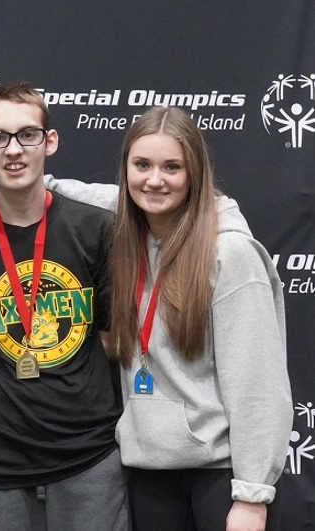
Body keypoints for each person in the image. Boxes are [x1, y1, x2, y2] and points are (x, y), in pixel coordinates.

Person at [103, 106, 292, 531]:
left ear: (195, 174)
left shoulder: (230, 254)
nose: (154, 179)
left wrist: (251, 494)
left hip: (220, 480)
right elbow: (67, 193)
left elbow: (257, 385)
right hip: (149, 475)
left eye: (172, 167)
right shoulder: (129, 243)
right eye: (142, 165)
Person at [0, 82, 128, 531]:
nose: (14, 150)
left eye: (27, 134)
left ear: (49, 141)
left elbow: (111, 341)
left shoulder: (96, 229)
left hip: (89, 453)